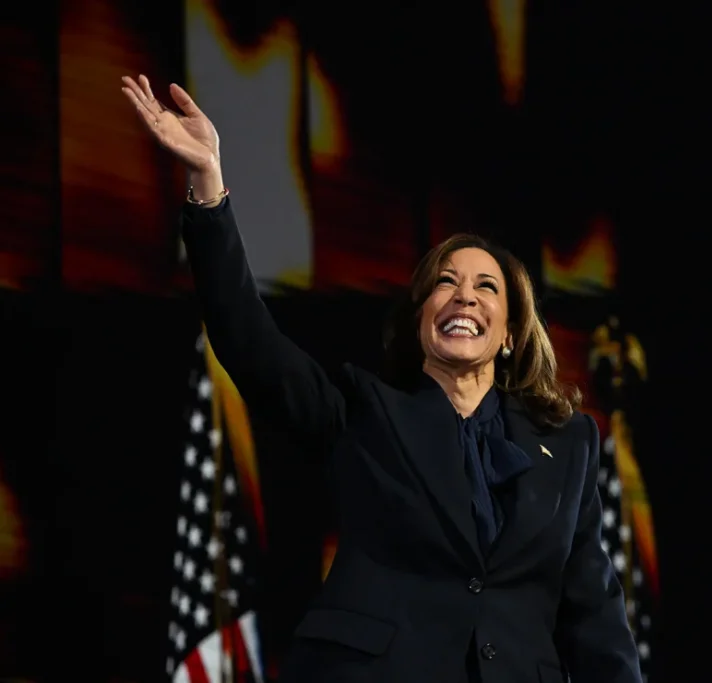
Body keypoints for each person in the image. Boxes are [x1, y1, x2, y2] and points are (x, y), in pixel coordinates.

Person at [121, 74, 643, 683]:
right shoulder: (366, 413)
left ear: (509, 334)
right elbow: (250, 342)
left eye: (486, 287)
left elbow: (596, 618)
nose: (464, 297)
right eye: (445, 283)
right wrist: (209, 186)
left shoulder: (569, 446)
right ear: (422, 320)